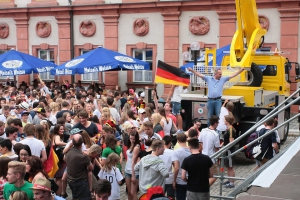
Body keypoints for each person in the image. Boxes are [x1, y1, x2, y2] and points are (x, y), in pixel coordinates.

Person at [65, 133, 93, 200]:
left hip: (71, 180)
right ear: (82, 142)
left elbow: (64, 159)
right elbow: (91, 168)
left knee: (75, 197)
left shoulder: (68, 152)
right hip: (80, 182)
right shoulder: (83, 156)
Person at [198, 115, 221, 185]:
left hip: (202, 156)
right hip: (211, 158)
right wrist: (218, 158)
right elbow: (217, 148)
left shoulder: (203, 130)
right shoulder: (215, 134)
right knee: (215, 175)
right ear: (215, 123)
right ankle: (205, 187)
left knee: (204, 174)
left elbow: (200, 143)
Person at [172, 133, 191, 200]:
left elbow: (176, 168)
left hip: (180, 180)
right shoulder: (191, 150)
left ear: (178, 141)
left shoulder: (176, 152)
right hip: (191, 179)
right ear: (186, 140)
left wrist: (174, 181)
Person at [124, 131, 140, 200]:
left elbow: (133, 161)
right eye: (131, 138)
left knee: (133, 193)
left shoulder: (136, 147)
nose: (132, 140)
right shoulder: (130, 145)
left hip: (134, 171)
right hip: (127, 170)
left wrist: (133, 175)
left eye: (133, 139)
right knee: (129, 192)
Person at [222, 115, 236, 188]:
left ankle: (232, 183)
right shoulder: (228, 129)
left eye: (224, 119)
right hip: (227, 150)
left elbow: (231, 141)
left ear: (227, 120)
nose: (223, 121)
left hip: (230, 150)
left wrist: (226, 147)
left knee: (230, 166)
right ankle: (229, 180)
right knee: (228, 166)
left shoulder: (231, 129)